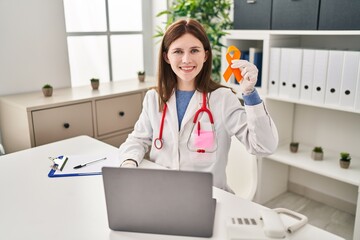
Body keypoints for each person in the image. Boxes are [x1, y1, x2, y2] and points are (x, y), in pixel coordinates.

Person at [118, 18, 278, 192]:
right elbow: (137, 140)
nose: (186, 59)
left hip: (208, 195)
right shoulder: (153, 98)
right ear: (166, 57)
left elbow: (264, 146)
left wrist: (249, 93)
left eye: (194, 50)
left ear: (205, 55)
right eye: (178, 51)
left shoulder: (222, 99)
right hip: (163, 192)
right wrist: (129, 162)